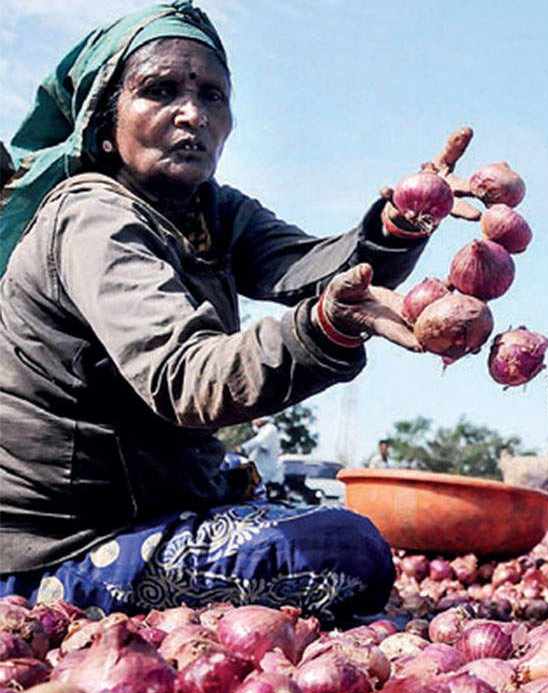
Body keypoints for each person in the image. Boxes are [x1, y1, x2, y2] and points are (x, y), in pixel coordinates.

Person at [0, 1, 479, 624]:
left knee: (274, 499)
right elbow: (187, 378)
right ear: (106, 119)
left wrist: (405, 218)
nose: (192, 114)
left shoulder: (213, 212)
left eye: (212, 96)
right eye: (160, 91)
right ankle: (51, 589)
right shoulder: (92, 218)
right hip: (64, 542)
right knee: (347, 549)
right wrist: (323, 328)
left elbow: (318, 269)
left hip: (150, 503)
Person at [240, 418, 283, 496]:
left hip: (264, 473)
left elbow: (258, 441)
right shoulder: (262, 430)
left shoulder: (269, 429)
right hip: (259, 473)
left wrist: (243, 447)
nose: (253, 421)